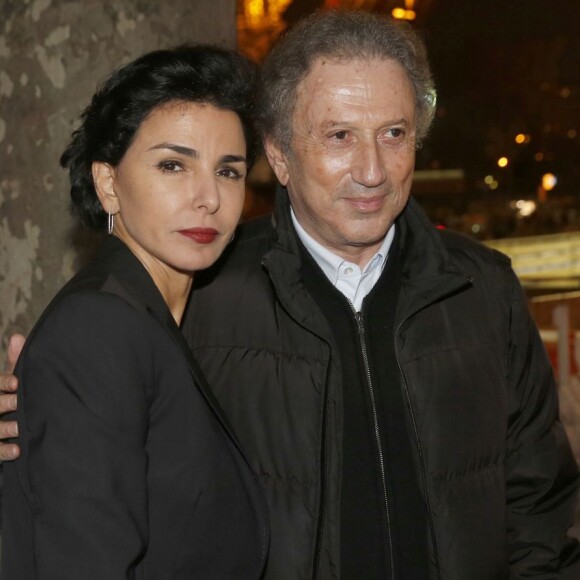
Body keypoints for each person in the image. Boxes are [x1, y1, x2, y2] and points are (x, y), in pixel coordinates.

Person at [1, 9, 579, 579]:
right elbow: (102, 463)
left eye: (394, 134)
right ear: (278, 154)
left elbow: (541, 511)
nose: (372, 169)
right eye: (339, 135)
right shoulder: (200, 290)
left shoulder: (485, 287)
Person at [0, 45, 269, 578]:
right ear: (108, 184)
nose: (208, 197)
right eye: (173, 165)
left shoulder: (162, 314)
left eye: (230, 171)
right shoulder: (100, 328)